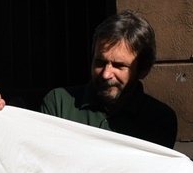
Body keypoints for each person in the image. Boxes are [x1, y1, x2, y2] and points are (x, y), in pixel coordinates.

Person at [41, 11, 178, 147]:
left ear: (143, 70)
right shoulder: (59, 104)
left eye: (119, 65)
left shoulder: (159, 119)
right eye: (100, 62)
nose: (106, 74)